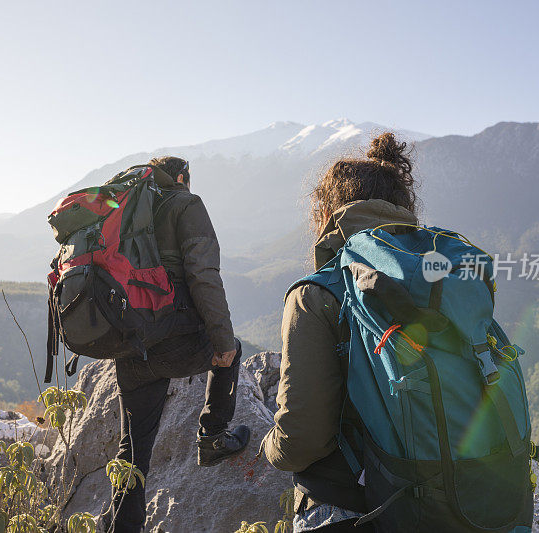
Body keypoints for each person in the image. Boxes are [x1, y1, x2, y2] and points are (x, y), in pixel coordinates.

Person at [262, 133, 419, 532]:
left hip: (350, 506)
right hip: (449, 502)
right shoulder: (436, 280)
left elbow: (302, 440)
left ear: (329, 212)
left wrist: (268, 447)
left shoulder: (317, 294)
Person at [99, 156, 250, 533]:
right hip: (176, 338)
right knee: (231, 349)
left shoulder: (127, 205)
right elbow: (203, 275)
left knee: (132, 449)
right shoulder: (186, 203)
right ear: (181, 177)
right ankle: (213, 436)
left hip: (130, 342)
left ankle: (124, 527)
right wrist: (223, 339)